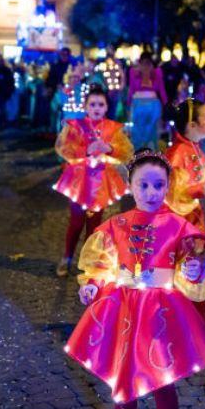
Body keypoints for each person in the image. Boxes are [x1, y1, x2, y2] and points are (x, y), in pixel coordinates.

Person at [65, 149, 205, 409]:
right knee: (123, 378)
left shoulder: (180, 226)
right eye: (143, 184)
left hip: (161, 311)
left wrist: (192, 269)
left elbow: (193, 268)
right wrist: (91, 286)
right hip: (125, 308)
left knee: (163, 383)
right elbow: (100, 265)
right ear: (130, 185)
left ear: (167, 186)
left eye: (158, 185)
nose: (151, 192)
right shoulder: (115, 225)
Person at [53, 87, 133, 277]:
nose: (97, 108)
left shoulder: (112, 128)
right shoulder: (76, 126)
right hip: (79, 182)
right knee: (76, 221)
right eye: (93, 104)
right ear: (86, 106)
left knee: (95, 224)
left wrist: (109, 148)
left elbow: (126, 151)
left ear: (106, 107)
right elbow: (65, 148)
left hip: (100, 183)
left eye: (101, 104)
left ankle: (89, 261)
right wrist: (86, 151)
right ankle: (68, 257)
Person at [164, 99, 205, 231]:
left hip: (191, 212)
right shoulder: (176, 155)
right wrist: (200, 190)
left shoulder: (194, 146)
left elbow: (200, 175)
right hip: (177, 220)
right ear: (192, 125)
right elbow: (174, 194)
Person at [127, 53, 167, 150]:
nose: (145, 65)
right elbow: (132, 88)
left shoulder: (156, 72)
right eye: (143, 63)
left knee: (152, 132)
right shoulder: (134, 72)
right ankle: (138, 156)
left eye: (147, 63)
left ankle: (152, 156)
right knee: (138, 132)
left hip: (153, 105)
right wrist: (128, 105)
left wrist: (166, 104)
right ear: (140, 63)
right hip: (138, 105)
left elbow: (161, 88)